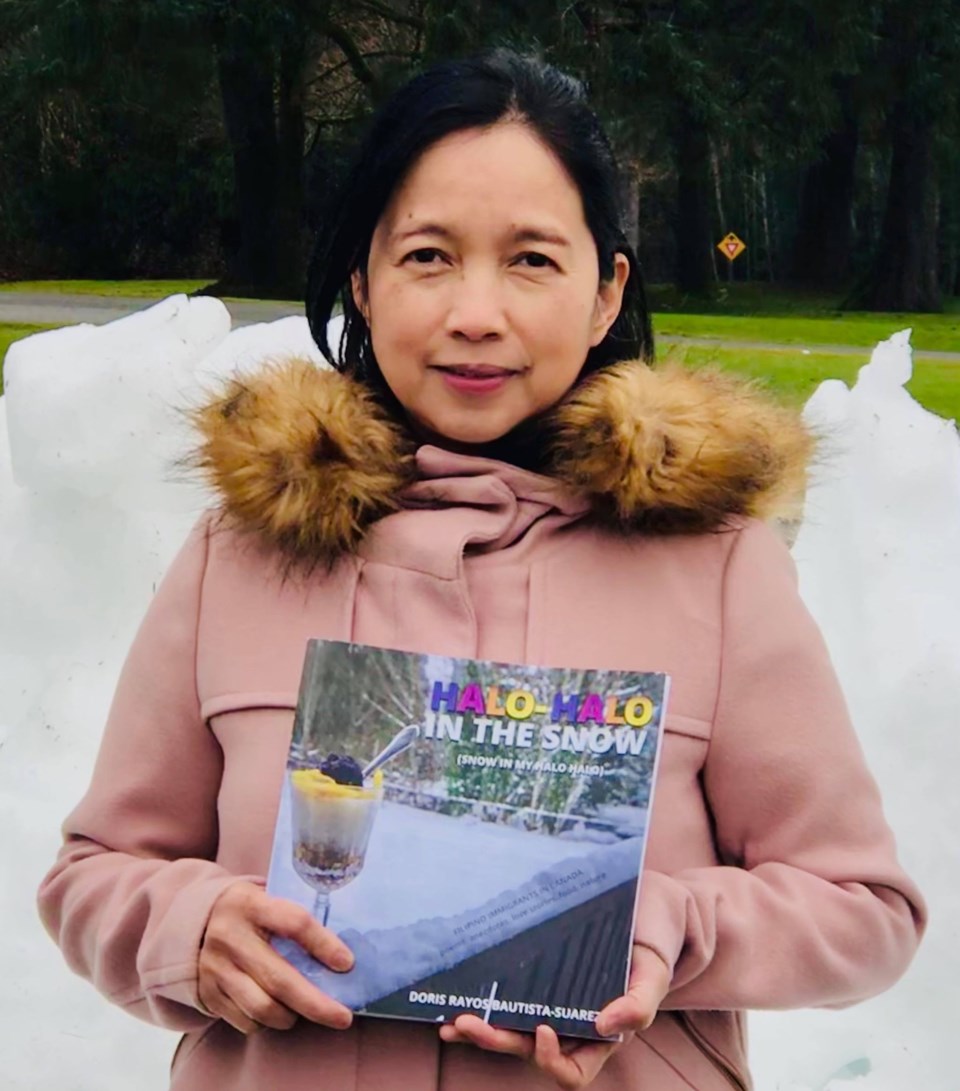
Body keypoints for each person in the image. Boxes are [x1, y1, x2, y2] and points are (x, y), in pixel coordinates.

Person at [38, 49, 925, 1091]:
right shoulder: (240, 553)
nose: (476, 312)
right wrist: (191, 928)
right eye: (428, 256)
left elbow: (867, 912)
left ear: (606, 293)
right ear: (364, 283)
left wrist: (668, 922)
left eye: (533, 260)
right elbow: (94, 875)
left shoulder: (716, 564)